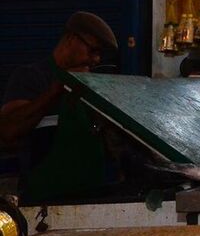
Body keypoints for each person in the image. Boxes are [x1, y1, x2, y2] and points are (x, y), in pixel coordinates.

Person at [0, 12, 118, 200]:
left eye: (100, 54)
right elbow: (8, 130)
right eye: (93, 50)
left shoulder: (93, 85)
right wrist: (59, 88)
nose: (96, 59)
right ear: (71, 39)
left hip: (94, 198)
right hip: (45, 202)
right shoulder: (31, 77)